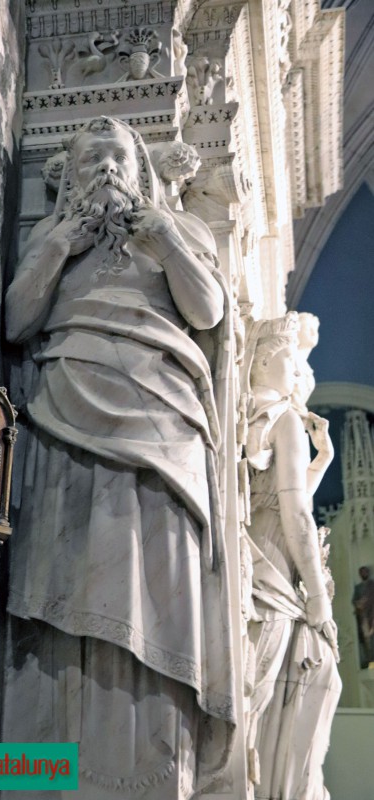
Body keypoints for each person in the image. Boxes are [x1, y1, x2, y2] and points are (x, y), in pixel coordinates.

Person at [4, 116, 235, 798]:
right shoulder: (52, 236)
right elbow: (17, 322)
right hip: (65, 408)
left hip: (162, 420)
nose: (106, 166)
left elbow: (209, 312)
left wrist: (162, 237)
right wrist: (60, 245)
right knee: (67, 573)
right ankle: (46, 763)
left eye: (117, 156)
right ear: (70, 174)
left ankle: (151, 761)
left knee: (156, 575)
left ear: (139, 170)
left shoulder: (177, 232)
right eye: (91, 156)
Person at [243, 312, 341, 800]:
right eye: (290, 358)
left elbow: (280, 497)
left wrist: (320, 459)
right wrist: (320, 595)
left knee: (262, 690)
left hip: (262, 560)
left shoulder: (252, 419)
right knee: (261, 692)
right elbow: (297, 516)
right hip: (274, 572)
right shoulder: (282, 420)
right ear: (261, 360)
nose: (298, 370)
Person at [352, 566, 374, 667]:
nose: (363, 574)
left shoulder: (372, 585)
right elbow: (354, 601)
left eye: (365, 572)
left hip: (372, 614)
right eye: (362, 572)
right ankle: (369, 658)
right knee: (366, 639)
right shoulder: (358, 588)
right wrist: (359, 604)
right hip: (363, 617)